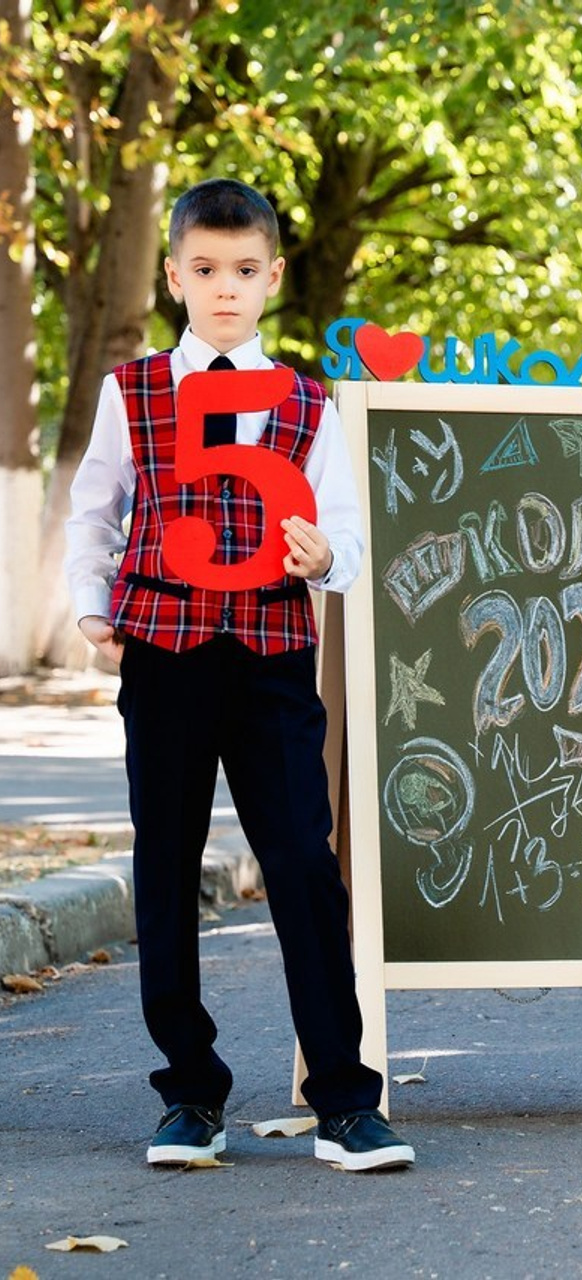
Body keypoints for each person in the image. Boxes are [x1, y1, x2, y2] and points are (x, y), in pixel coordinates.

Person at [64, 177, 414, 1172]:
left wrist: (322, 558)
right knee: (166, 865)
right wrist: (92, 606)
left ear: (272, 278)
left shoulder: (306, 402)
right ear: (175, 274)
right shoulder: (131, 391)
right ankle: (189, 1094)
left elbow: (344, 529)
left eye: (245, 272)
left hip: (270, 657)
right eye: (206, 271)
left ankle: (345, 1098)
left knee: (304, 865)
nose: (225, 289)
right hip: (165, 657)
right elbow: (97, 507)